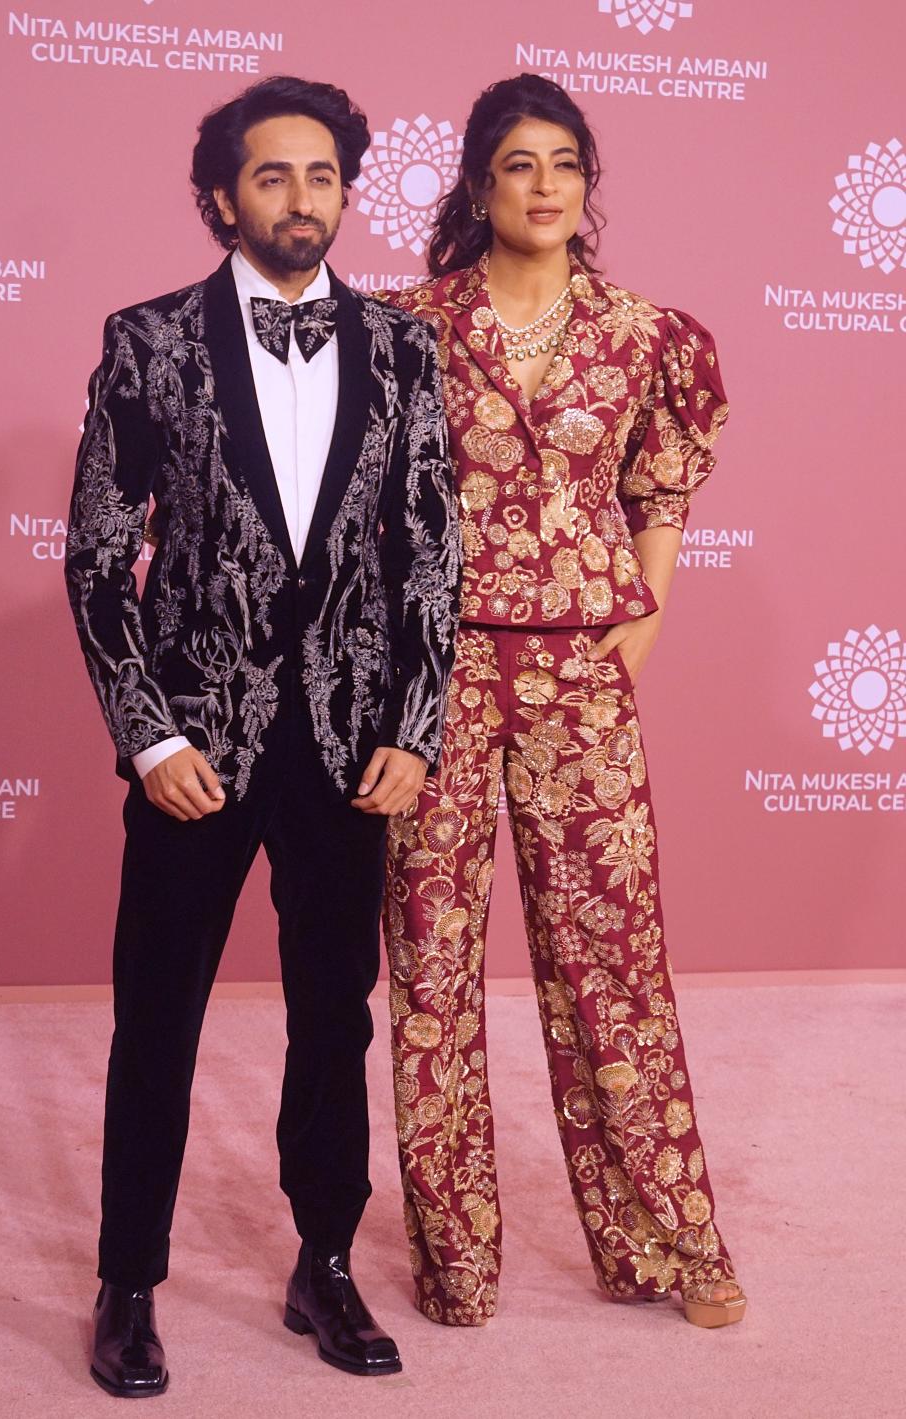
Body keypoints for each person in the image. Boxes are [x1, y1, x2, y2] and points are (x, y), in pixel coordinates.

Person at [65, 75, 461, 1394]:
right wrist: (149, 735)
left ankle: (326, 1260)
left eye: (326, 176)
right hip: (195, 742)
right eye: (275, 175)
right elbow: (94, 561)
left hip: (351, 747)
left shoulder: (405, 350)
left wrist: (414, 723)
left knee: (331, 1015)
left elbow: (430, 561)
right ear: (223, 196)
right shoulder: (150, 340)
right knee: (158, 1015)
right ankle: (129, 1281)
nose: (305, 198)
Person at [380, 74, 745, 1330]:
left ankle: (666, 1242)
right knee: (432, 973)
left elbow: (664, 492)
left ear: (590, 186)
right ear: (477, 181)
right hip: (431, 678)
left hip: (581, 667)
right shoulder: (402, 328)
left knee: (612, 965)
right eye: (521, 163)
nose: (546, 186)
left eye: (568, 165)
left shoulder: (648, 334)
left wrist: (637, 618)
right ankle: (457, 1262)